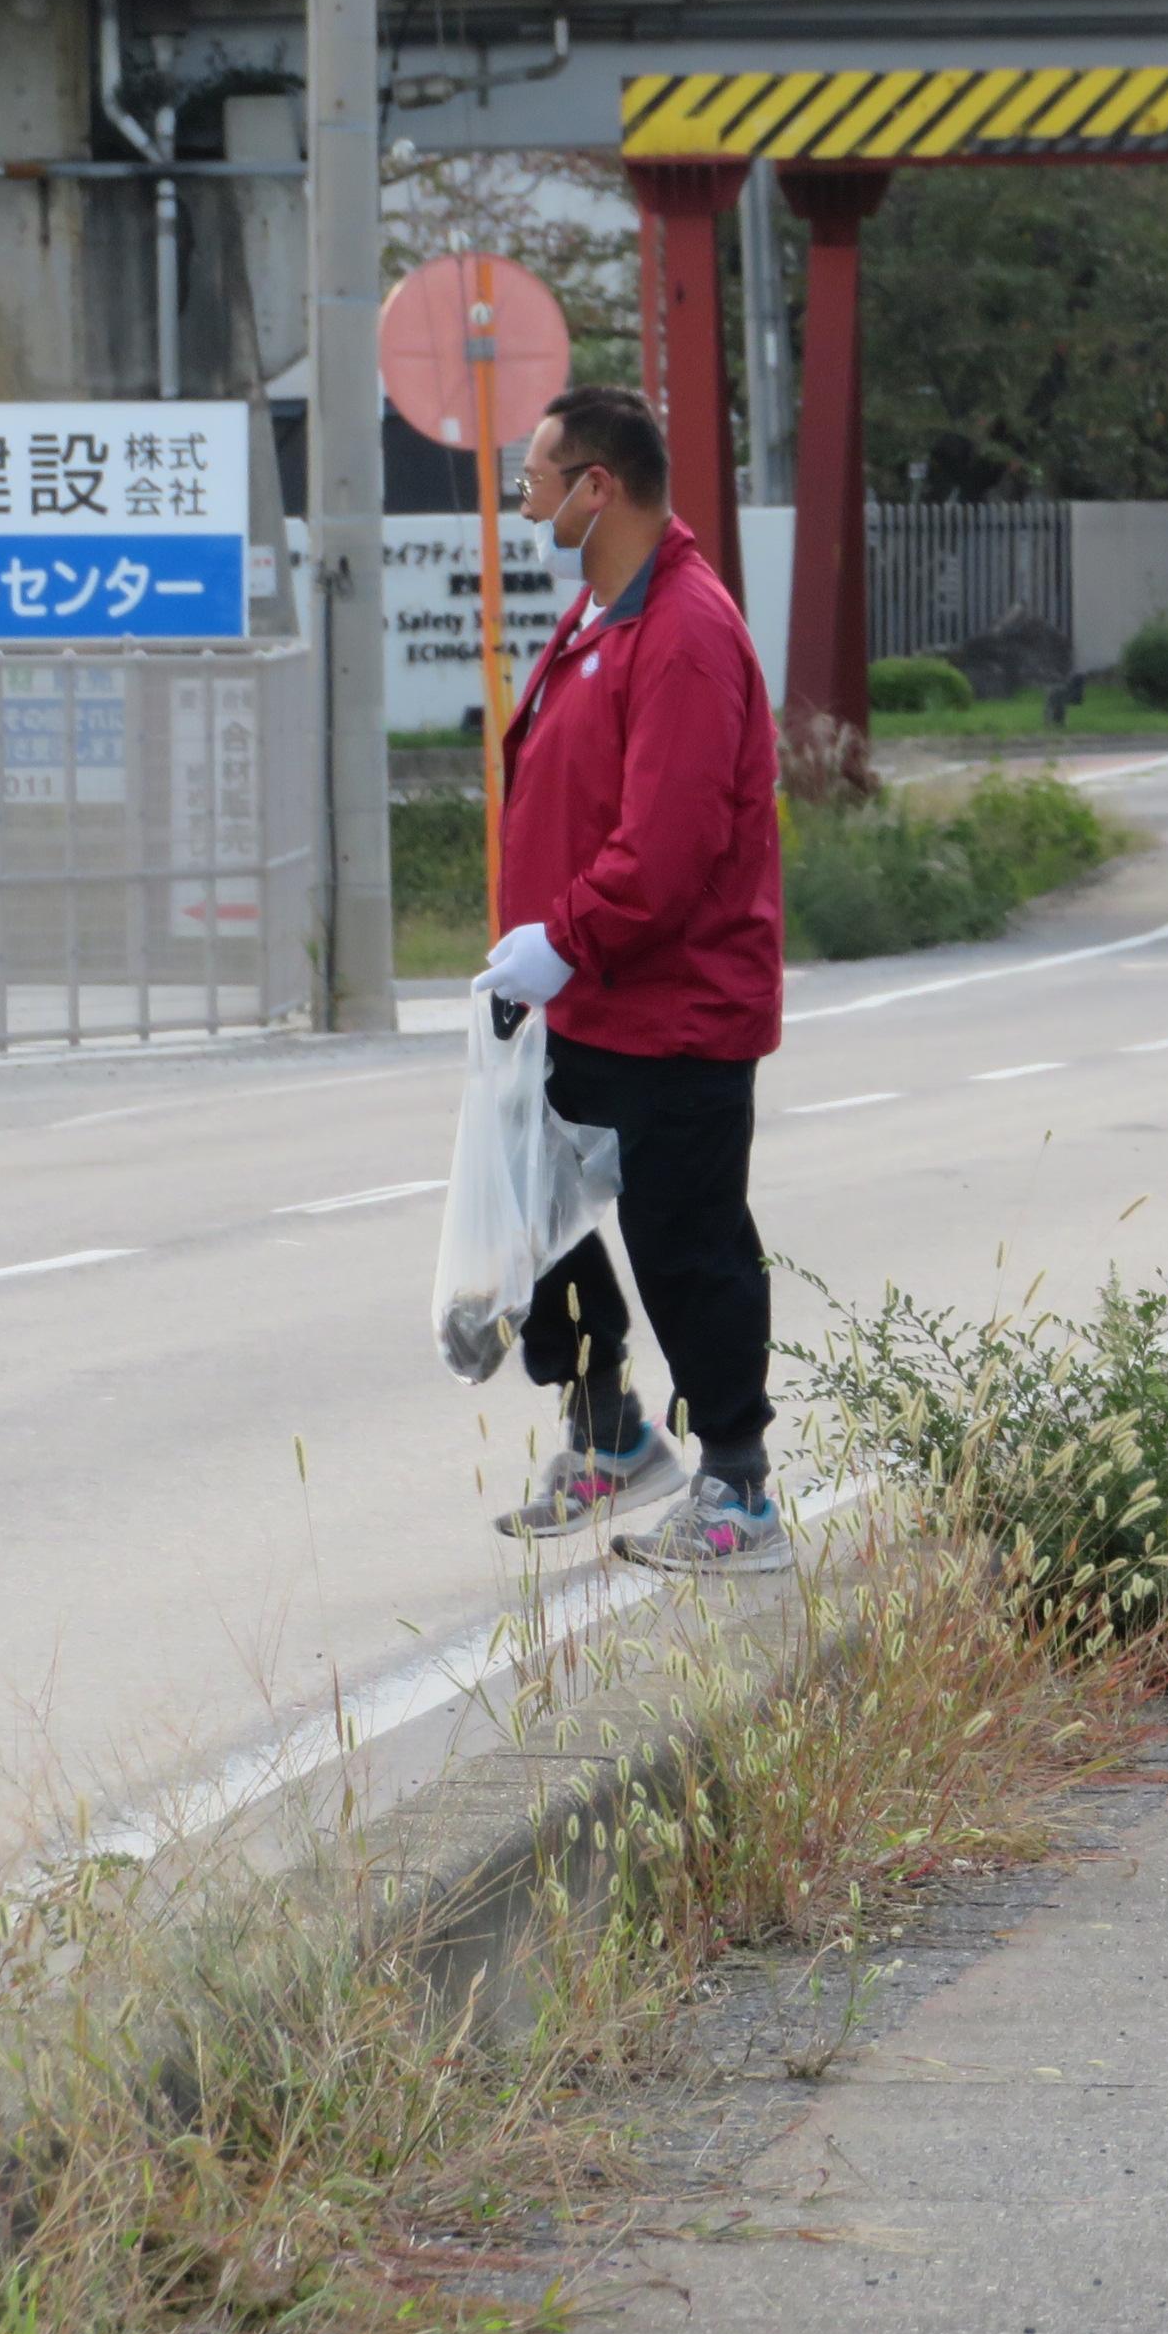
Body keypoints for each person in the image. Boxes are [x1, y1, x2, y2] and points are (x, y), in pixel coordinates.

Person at [477, 383, 795, 1574]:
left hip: (675, 1002)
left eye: (539, 472)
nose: (527, 491)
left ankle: (739, 1487)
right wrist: (545, 954)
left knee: (688, 1239)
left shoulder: (686, 632)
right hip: (587, 991)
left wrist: (564, 935)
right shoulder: (606, 612)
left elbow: (666, 846)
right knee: (537, 1212)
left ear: (596, 486)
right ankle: (610, 1425)